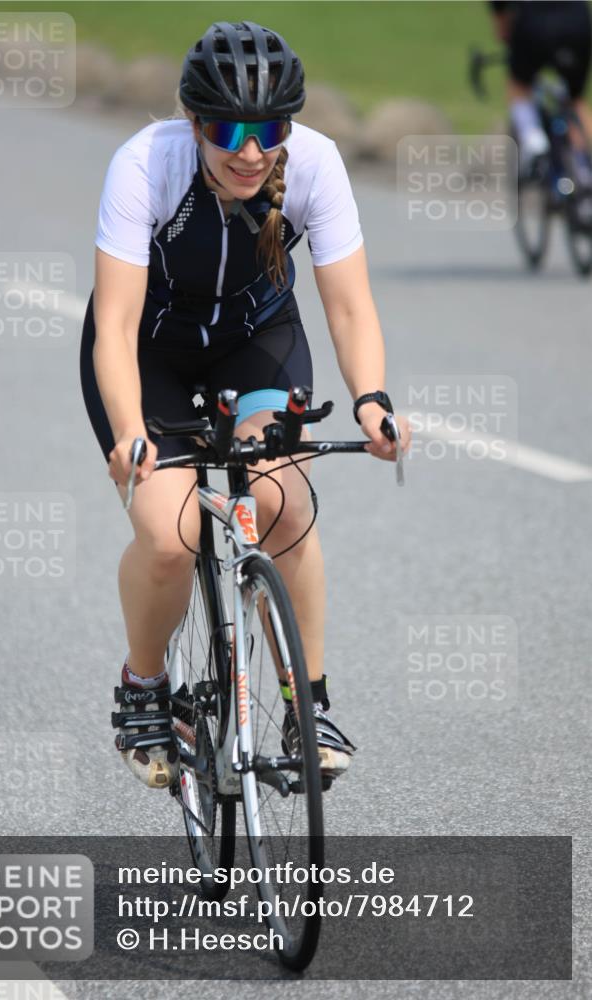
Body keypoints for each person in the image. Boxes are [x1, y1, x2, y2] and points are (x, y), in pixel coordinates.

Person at [80, 21, 411, 791]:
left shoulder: (317, 167)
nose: (250, 150)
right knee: (170, 536)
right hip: (150, 353)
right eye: (228, 129)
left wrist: (372, 401)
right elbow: (117, 324)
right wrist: (131, 432)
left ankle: (308, 705)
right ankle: (143, 686)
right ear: (194, 122)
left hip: (254, 341)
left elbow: (351, 309)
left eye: (269, 129)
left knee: (282, 501)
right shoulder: (144, 165)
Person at [488, 0, 592, 178]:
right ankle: (584, 170)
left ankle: (533, 140)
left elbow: (500, 6)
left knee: (519, 86)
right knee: (575, 101)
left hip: (533, 22)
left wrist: (503, 28)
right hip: (577, 21)